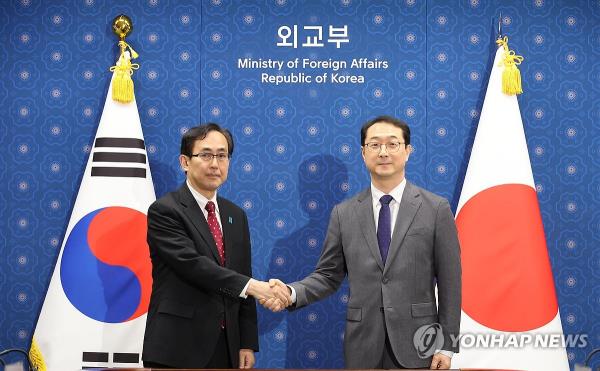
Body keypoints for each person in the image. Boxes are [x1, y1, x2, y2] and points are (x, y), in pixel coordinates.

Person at [263, 116, 461, 369]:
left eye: (393, 144)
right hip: (362, 347)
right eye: (375, 145)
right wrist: (291, 293)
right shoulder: (343, 214)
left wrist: (447, 345)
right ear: (362, 153)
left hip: (420, 343)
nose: (383, 152)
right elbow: (327, 275)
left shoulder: (435, 208)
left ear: (408, 151)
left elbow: (450, 282)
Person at [142, 123, 291, 369]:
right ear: (185, 162)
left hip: (227, 346)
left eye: (222, 155)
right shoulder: (165, 210)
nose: (215, 164)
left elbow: (242, 273)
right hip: (178, 345)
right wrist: (255, 288)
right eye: (206, 155)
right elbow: (193, 265)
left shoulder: (236, 215)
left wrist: (246, 342)